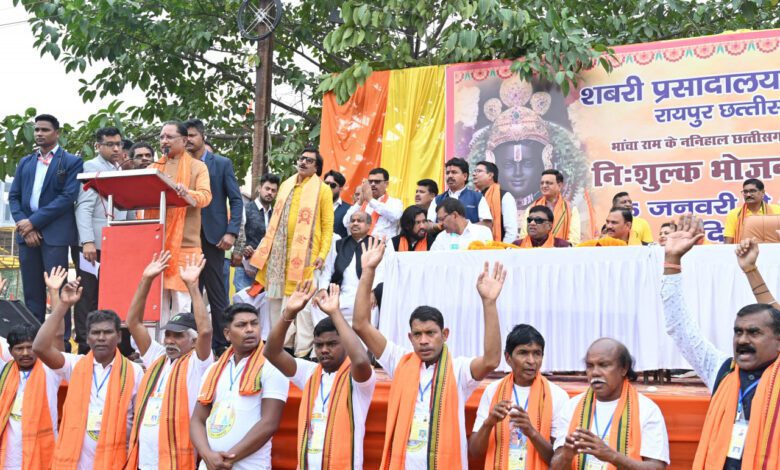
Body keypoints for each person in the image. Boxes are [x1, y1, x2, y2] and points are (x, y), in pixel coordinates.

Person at [352, 237, 504, 469]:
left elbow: (492, 360)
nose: (424, 341)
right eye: (418, 334)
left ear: (445, 334)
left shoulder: (459, 370)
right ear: (410, 338)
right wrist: (368, 272)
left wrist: (489, 303)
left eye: (431, 333)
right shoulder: (399, 360)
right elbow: (361, 324)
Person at [661, 214, 780, 468]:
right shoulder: (721, 370)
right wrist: (671, 261)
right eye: (738, 332)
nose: (742, 340)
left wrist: (751, 272)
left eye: (754, 333)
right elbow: (679, 326)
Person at [32, 278, 144, 469]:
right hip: (74, 463)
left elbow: (139, 423)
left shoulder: (135, 371)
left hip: (116, 463)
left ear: (118, 337)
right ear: (88, 336)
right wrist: (64, 305)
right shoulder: (75, 365)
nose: (101, 338)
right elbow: (40, 347)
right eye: (95, 332)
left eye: (107, 332)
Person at [264, 281, 376, 469]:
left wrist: (335, 313)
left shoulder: (357, 378)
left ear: (346, 344)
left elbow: (361, 361)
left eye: (332, 344)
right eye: (319, 345)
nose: (324, 350)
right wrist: (289, 313)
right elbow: (272, 352)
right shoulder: (310, 373)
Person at [124, 252, 214, 470]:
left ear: (192, 341)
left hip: (177, 462)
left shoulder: (198, 363)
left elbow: (205, 331)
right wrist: (146, 280)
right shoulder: (158, 358)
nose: (170, 340)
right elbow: (133, 322)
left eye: (178, 335)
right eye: (168, 335)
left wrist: (193, 287)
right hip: (145, 461)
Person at [249, 146, 333, 358]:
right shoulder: (286, 185)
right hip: (279, 256)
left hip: (307, 257)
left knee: (302, 308)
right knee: (276, 303)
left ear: (317, 167)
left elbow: (327, 224)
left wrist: (322, 254)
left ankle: (302, 351)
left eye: (309, 160)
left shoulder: (322, 190)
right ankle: (281, 347)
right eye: (301, 158)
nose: (303, 162)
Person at [190, 303, 288, 470]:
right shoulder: (214, 369)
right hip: (210, 465)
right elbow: (197, 420)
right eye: (241, 325)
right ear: (227, 334)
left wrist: (228, 459)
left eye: (254, 323)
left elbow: (269, 423)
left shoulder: (272, 366)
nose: (250, 329)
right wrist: (208, 456)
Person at [550, 338, 670, 469]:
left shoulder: (647, 410)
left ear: (624, 369)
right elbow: (555, 466)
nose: (595, 372)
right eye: (590, 366)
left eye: (604, 365)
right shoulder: (572, 407)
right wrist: (567, 456)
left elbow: (657, 467)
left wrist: (612, 456)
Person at [9, 114, 83, 323]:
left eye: (45, 130)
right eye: (37, 130)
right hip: (26, 235)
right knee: (32, 293)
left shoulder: (72, 161)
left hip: (55, 236)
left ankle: (61, 345)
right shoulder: (25, 162)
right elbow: (14, 197)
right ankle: (33, 340)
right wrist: (27, 228)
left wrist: (34, 222)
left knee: (58, 291)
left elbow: (67, 198)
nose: (39, 134)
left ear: (57, 133)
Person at [469, 324, 571, 468]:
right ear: (508, 358)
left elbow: (557, 461)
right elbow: (475, 451)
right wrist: (489, 423)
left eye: (537, 353)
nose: (531, 360)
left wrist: (531, 432)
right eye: (523, 353)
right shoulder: (493, 391)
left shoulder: (558, 396)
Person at [185, 119, 242, 351]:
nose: (188, 140)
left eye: (192, 135)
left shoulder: (221, 163)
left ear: (202, 137)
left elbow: (236, 201)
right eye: (185, 136)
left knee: (218, 293)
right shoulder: (179, 165)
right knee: (190, 291)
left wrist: (231, 232)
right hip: (186, 238)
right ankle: (193, 343)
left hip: (214, 238)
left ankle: (222, 344)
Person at [150, 121, 212, 321]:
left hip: (186, 245)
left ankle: (181, 348)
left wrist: (187, 193)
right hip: (156, 246)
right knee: (155, 302)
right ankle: (157, 350)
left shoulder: (198, 167)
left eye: (169, 137)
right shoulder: (153, 168)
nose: (163, 141)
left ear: (184, 141)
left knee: (181, 302)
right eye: (161, 137)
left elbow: (205, 197)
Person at [74, 126, 128, 354]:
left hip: (115, 244)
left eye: (119, 144)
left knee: (108, 296)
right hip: (93, 246)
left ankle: (108, 344)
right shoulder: (92, 167)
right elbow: (84, 208)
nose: (116, 148)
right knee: (87, 295)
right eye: (110, 144)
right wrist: (87, 242)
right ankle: (86, 345)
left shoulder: (118, 168)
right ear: (98, 146)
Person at [0, 323, 64, 470]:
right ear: (10, 350)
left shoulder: (51, 370)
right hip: (9, 458)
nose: (25, 353)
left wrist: (61, 302)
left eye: (30, 347)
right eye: (19, 348)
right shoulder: (4, 371)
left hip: (42, 455)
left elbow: (58, 336)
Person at [316, 211, 381, 323]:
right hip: (340, 295)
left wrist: (374, 292)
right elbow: (328, 270)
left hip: (365, 296)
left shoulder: (376, 244)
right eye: (352, 221)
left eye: (359, 221)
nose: (355, 223)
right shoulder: (339, 244)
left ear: (369, 225)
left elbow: (382, 272)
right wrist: (322, 289)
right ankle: (329, 337)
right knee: (316, 305)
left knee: (374, 308)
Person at [233, 173, 280, 292]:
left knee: (263, 309)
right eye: (267, 188)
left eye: (273, 190)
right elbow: (236, 235)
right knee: (243, 307)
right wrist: (243, 256)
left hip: (265, 271)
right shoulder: (246, 209)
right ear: (260, 188)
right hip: (245, 268)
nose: (270, 192)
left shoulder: (276, 215)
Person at [519, 170, 580, 244]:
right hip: (535, 253)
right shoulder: (531, 208)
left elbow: (574, 240)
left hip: (562, 252)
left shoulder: (570, 209)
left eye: (549, 183)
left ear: (560, 185)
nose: (544, 186)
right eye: (542, 183)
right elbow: (523, 236)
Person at [428, 157, 492, 226]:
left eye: (454, 172)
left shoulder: (477, 198)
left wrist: (464, 228)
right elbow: (429, 225)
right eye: (447, 173)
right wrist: (441, 226)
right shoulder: (437, 199)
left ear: (465, 176)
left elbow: (487, 224)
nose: (450, 176)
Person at [342, 168, 403, 240]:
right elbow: (346, 223)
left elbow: (396, 216)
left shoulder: (395, 202)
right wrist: (359, 203)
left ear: (386, 184)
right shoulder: (363, 204)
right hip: (361, 247)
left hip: (384, 248)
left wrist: (371, 200)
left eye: (377, 181)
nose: (373, 184)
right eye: (370, 181)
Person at [473, 160, 519, 243]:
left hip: (498, 250)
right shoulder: (473, 197)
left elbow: (511, 230)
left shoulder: (505, 196)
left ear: (490, 175)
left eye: (479, 171)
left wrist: (503, 250)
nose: (474, 174)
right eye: (474, 171)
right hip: (475, 249)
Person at [723, 178, 780, 243]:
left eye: (752, 191)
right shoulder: (734, 214)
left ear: (763, 193)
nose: (748, 195)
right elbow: (728, 242)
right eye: (745, 192)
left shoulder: (777, 210)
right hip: (744, 251)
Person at [324, 170, 351, 239]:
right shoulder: (314, 206)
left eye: (332, 185)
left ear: (340, 188)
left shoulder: (349, 209)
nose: (328, 187)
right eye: (326, 183)